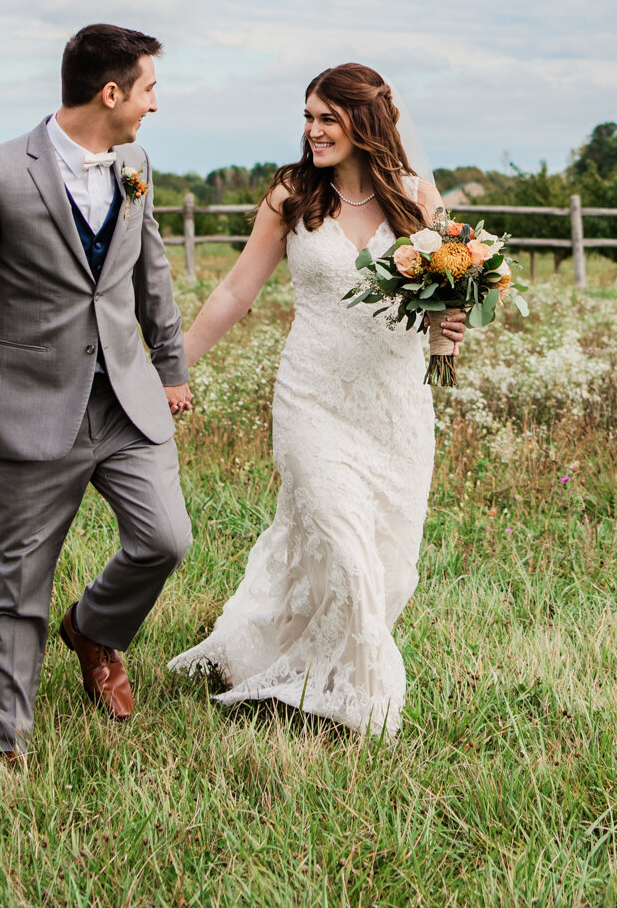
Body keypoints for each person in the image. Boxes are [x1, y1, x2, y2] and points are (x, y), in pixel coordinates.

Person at [0, 23, 193, 757]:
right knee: (20, 585)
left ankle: (94, 629)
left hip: (125, 399)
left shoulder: (135, 163)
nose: (154, 105)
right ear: (111, 93)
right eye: (149, 89)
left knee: (166, 538)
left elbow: (148, 269)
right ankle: (8, 747)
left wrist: (169, 366)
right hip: (32, 404)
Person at [167, 63, 464, 735]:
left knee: (386, 560)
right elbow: (236, 292)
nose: (313, 131)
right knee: (341, 543)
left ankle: (288, 653)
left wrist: (449, 333)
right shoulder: (293, 196)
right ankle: (355, 703)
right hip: (313, 400)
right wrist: (170, 367)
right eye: (308, 117)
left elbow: (447, 298)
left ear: (365, 123)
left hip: (393, 407)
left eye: (327, 118)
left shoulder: (416, 197)